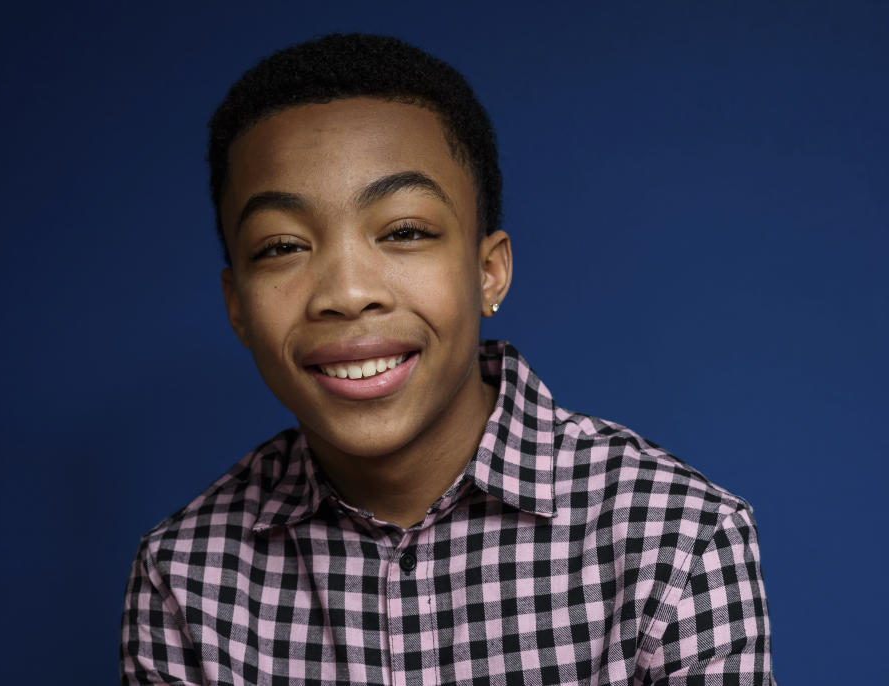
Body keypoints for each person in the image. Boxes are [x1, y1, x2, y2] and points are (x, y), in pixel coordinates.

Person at [121, 33, 775, 685]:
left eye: (405, 232)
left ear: (488, 272)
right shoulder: (186, 578)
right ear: (237, 306)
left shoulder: (679, 538)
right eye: (282, 246)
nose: (348, 293)